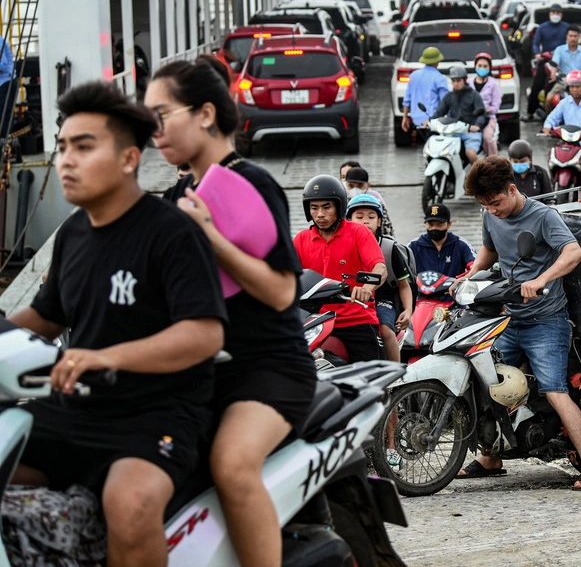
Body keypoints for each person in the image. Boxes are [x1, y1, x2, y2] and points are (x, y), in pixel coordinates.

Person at [10, 81, 226, 566]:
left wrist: (106, 356)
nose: (66, 160)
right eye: (63, 146)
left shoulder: (171, 231)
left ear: (129, 159)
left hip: (155, 415)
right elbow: (47, 315)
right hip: (74, 409)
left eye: (84, 147)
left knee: (129, 507)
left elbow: (205, 333)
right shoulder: (74, 234)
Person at [148, 57, 316, 567]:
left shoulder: (253, 182)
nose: (152, 131)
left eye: (161, 115)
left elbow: (283, 293)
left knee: (231, 464)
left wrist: (213, 239)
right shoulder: (177, 195)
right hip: (198, 370)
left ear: (204, 114)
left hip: (267, 368)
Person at [460, 156, 581, 490]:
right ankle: (490, 456)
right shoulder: (490, 215)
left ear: (512, 189)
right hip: (507, 318)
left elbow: (572, 253)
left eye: (496, 202)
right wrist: (468, 276)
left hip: (546, 320)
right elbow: (489, 250)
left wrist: (542, 279)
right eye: (486, 205)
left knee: (555, 390)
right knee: (487, 384)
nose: (492, 210)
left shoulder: (543, 216)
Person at [294, 175, 388, 363]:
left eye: (326, 207)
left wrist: (366, 289)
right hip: (316, 321)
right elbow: (286, 276)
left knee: (374, 379)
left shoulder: (358, 232)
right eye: (314, 208)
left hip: (356, 320)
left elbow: (380, 268)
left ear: (339, 206)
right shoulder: (300, 240)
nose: (320, 214)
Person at [346, 193, 412, 364]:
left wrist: (408, 310)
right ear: (348, 220)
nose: (365, 221)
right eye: (359, 217)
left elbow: (403, 285)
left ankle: (394, 379)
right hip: (348, 298)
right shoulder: (341, 246)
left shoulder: (389, 248)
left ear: (380, 221)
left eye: (371, 216)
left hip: (382, 298)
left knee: (385, 329)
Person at [432, 65, 487, 165]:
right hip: (453, 131)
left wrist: (477, 126)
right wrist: (430, 121)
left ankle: (482, 176)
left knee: (470, 153)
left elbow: (482, 114)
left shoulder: (475, 95)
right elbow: (439, 112)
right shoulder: (449, 96)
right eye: (453, 81)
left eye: (458, 80)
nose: (456, 84)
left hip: (470, 132)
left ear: (465, 80)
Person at [408, 203, 476, 279]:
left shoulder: (461, 245)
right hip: (420, 290)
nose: (434, 228)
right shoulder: (413, 246)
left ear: (449, 224)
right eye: (430, 224)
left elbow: (475, 266)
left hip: (452, 289)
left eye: (439, 225)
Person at [402, 46, 449, 134]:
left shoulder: (413, 76)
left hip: (416, 121)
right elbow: (445, 102)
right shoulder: (440, 78)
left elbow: (407, 100)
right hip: (433, 122)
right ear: (437, 61)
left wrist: (404, 117)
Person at [472, 52, 501, 156]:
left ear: (489, 68)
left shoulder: (493, 84)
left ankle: (494, 163)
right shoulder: (468, 83)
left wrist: (484, 110)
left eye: (485, 66)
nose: (482, 68)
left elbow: (495, 106)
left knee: (487, 138)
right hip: (470, 118)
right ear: (475, 66)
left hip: (488, 119)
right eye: (479, 66)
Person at [0, 36, 15, 138]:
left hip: (5, 82)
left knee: (4, 114)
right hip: (6, 81)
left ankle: (4, 142)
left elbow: (3, 65)